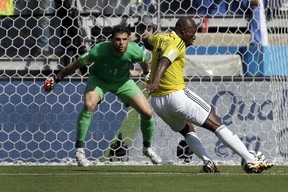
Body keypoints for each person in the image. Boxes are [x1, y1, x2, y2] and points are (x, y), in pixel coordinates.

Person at [142, 17, 274, 173]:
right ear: (183, 30)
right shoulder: (176, 43)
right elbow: (165, 60)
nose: (195, 36)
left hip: (158, 103)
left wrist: (145, 36)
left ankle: (208, 162)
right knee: (216, 124)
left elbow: (146, 41)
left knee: (187, 129)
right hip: (176, 96)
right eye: (192, 32)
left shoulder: (161, 38)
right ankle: (251, 160)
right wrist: (156, 80)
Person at [43, 24, 162, 167]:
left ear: (129, 39)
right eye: (118, 39)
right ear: (111, 40)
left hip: (123, 82)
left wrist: (145, 74)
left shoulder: (135, 50)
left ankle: (147, 148)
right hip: (99, 81)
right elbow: (76, 64)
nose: (121, 43)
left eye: (125, 39)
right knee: (88, 105)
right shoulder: (98, 50)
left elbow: (144, 63)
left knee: (147, 113)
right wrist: (56, 79)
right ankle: (79, 151)